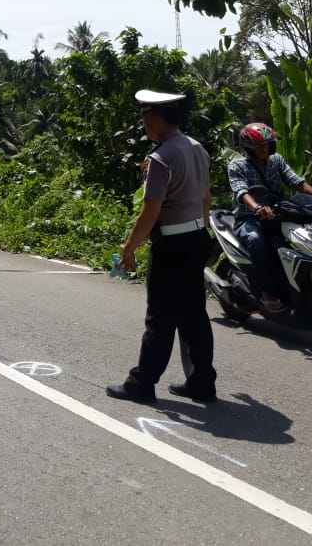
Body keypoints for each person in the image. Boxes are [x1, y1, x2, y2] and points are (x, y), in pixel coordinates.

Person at [107, 90, 217, 405]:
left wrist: (128, 249)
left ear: (154, 118)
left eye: (144, 118)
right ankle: (202, 383)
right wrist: (203, 233)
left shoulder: (161, 157)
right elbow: (205, 199)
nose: (143, 125)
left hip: (171, 246)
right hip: (196, 239)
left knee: (160, 318)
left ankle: (141, 384)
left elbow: (150, 211)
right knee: (194, 314)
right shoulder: (197, 149)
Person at [227, 122, 312, 311]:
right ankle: (266, 292)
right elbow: (241, 191)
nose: (264, 149)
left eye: (267, 144)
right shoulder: (237, 165)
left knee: (297, 243)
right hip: (249, 219)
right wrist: (257, 207)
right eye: (258, 146)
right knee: (257, 242)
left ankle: (300, 289)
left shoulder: (276, 160)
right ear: (248, 148)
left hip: (278, 216)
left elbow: (296, 182)